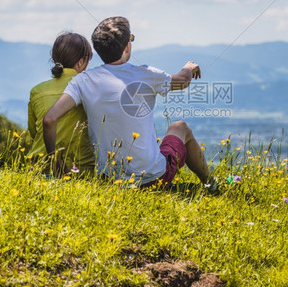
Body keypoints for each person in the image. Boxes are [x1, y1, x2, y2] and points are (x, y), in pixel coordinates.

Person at [43, 16, 217, 191]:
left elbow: (49, 119)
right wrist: (189, 67)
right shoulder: (146, 74)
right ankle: (211, 184)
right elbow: (183, 80)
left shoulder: (82, 80)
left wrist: (54, 160)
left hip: (109, 181)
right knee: (180, 127)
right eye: (131, 39)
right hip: (152, 178)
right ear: (127, 46)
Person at [27, 32, 94, 177]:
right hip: (79, 169)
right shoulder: (90, 88)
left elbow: (34, 132)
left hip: (39, 167)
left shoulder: (37, 91)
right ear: (81, 62)